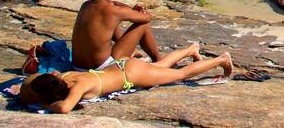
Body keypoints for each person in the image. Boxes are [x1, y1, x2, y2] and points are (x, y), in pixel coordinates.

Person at [19, 43, 232, 114]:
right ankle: (191, 49)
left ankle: (221, 60)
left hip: (130, 74)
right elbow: (38, 80)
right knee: (159, 66)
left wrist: (45, 102)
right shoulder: (64, 76)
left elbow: (64, 108)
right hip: (122, 66)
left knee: (180, 74)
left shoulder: (78, 87)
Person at [71, 0, 162, 71]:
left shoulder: (86, 5)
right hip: (101, 68)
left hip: (78, 66)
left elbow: (113, 5)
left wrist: (132, 9)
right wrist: (140, 11)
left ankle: (131, 51)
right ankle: (158, 60)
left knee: (109, 24)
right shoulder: (114, 11)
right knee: (144, 25)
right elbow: (147, 18)